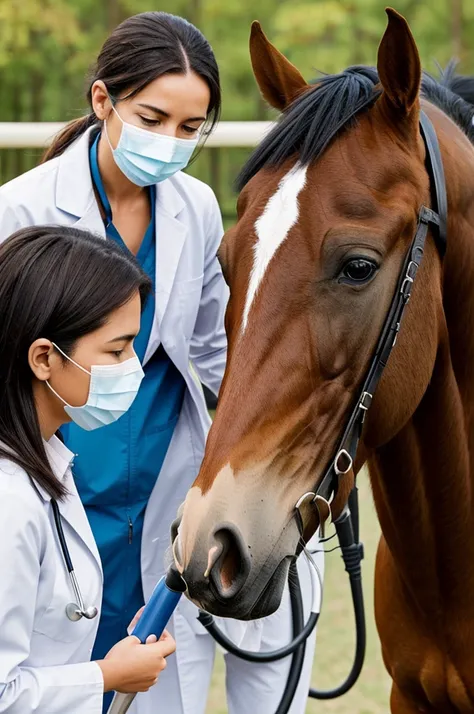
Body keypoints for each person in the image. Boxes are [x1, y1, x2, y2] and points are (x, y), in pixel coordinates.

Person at [0, 11, 321, 714]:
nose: (171, 144)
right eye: (154, 118)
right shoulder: (18, 210)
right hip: (59, 477)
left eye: (190, 128)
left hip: (161, 476)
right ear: (102, 102)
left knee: (158, 682)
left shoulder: (195, 206)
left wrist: (290, 419)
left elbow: (211, 347)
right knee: (55, 675)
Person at [0, 225, 176, 713]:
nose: (133, 368)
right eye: (117, 350)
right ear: (43, 358)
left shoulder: (46, 458)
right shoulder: (9, 499)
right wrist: (108, 675)